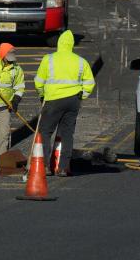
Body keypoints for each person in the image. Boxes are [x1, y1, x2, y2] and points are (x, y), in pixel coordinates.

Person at [34, 30, 95, 176]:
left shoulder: (48, 59)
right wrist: (81, 97)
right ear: (72, 44)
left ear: (59, 43)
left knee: (45, 132)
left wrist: (42, 95)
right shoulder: (81, 61)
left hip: (53, 100)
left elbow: (39, 82)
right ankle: (63, 167)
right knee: (67, 134)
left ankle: (45, 166)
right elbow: (89, 83)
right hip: (73, 101)